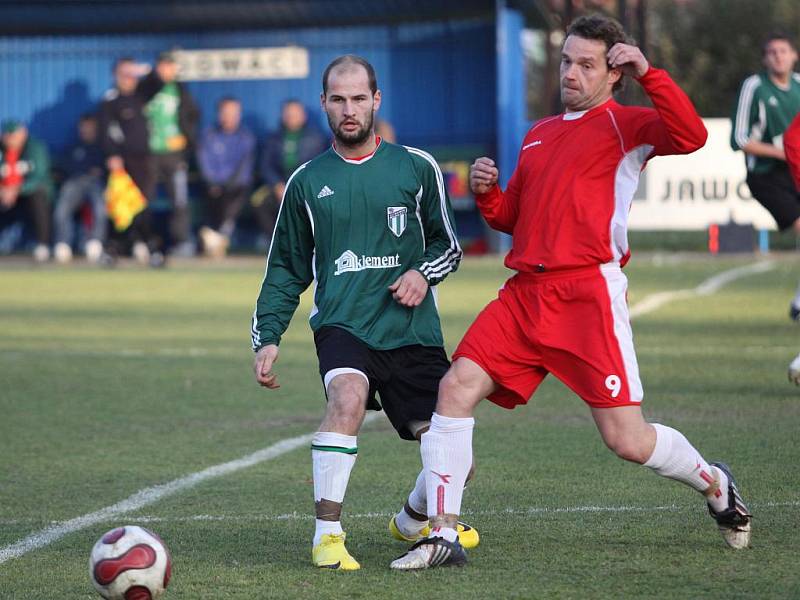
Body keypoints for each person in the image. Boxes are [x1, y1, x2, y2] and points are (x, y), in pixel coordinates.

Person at [391, 14, 751, 571]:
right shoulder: (538, 132)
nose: (572, 74)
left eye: (587, 65)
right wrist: (490, 195)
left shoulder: (625, 125)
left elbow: (692, 136)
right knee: (455, 387)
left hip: (587, 299)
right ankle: (441, 534)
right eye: (567, 61)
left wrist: (650, 72)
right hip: (525, 294)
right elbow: (518, 217)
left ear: (613, 73)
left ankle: (713, 481)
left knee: (627, 440)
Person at [251, 55, 470, 571]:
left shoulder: (417, 168)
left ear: (376, 99)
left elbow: (449, 246)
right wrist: (268, 335)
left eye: (358, 98)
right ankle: (327, 536)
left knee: (454, 455)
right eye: (338, 99)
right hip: (343, 324)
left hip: (412, 330)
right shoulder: (307, 182)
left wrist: (423, 273)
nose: (349, 110)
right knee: (345, 397)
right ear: (323, 104)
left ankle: (415, 518)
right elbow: (285, 267)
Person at [730, 33, 800, 318]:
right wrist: (783, 152)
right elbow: (739, 138)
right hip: (766, 176)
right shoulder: (755, 86)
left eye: (783, 51)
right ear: (764, 59)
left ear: (794, 55)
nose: (778, 57)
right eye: (772, 52)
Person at [98, 56, 164, 267]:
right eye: (123, 74)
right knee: (121, 208)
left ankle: (150, 247)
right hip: (122, 164)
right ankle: (113, 249)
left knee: (142, 205)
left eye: (130, 75)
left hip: (144, 162)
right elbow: (106, 131)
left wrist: (142, 70)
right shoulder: (110, 101)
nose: (128, 79)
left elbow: (158, 80)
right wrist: (112, 156)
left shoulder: (140, 96)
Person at [144, 51, 200, 257]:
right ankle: (145, 241)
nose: (167, 70)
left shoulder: (180, 89)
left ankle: (182, 242)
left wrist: (186, 143)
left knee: (179, 199)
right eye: (163, 66)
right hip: (148, 154)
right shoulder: (146, 87)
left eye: (170, 66)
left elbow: (193, 115)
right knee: (143, 199)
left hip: (174, 154)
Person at [251, 99, 327, 245]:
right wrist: (277, 185)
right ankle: (277, 242)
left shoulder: (316, 138)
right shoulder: (273, 138)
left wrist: (298, 185)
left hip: (305, 186)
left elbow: (319, 167)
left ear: (303, 116)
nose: (291, 118)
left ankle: (308, 244)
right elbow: (266, 166)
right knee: (258, 202)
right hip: (278, 186)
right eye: (288, 114)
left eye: (295, 114)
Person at [196, 96, 256, 257]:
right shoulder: (208, 135)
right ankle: (217, 238)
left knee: (235, 195)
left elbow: (244, 168)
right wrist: (213, 183)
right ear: (219, 114)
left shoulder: (246, 137)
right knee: (212, 197)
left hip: (236, 187)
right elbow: (204, 162)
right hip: (212, 187)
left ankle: (216, 237)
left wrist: (227, 186)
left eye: (233, 113)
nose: (229, 117)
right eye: (226, 112)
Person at [52, 113, 107, 263]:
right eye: (84, 127)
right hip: (75, 182)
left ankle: (95, 243)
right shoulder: (73, 147)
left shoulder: (103, 147)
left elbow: (107, 170)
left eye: (90, 127)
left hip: (96, 183)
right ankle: (63, 244)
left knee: (100, 206)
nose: (86, 130)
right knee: (62, 207)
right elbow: (61, 168)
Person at [0, 119, 53, 262]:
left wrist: (16, 190)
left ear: (23, 133)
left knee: (38, 196)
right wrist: (3, 190)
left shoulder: (35, 148)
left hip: (28, 196)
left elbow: (39, 177)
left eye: (14, 135)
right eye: (7, 135)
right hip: (5, 196)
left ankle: (43, 245)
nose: (11, 139)